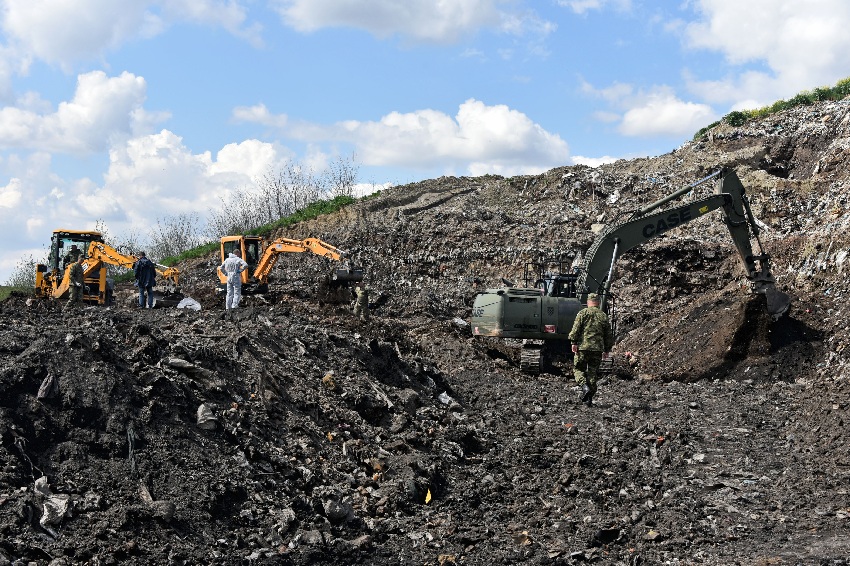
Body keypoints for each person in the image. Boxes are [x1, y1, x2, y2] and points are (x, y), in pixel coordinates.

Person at [568, 293, 614, 407]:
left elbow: (575, 329)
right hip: (597, 349)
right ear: (598, 303)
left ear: (588, 302)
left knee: (578, 369)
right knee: (593, 373)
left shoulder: (583, 313)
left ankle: (584, 387)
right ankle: (589, 399)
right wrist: (607, 349)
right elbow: (608, 335)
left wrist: (573, 342)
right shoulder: (603, 316)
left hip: (583, 348)